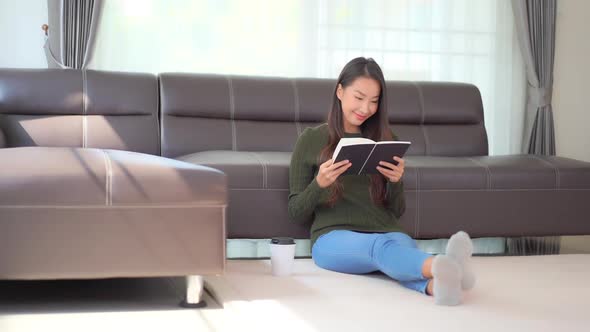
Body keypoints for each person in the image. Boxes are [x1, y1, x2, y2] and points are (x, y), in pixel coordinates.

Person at [288, 57, 475, 305]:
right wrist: (319, 184)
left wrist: (396, 181)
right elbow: (296, 211)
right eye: (359, 97)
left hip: (387, 231)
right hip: (332, 238)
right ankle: (444, 264)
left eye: (374, 101)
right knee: (381, 248)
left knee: (394, 247)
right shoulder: (311, 140)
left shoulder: (387, 140)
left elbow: (396, 211)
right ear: (340, 91)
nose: (366, 108)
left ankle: (437, 287)